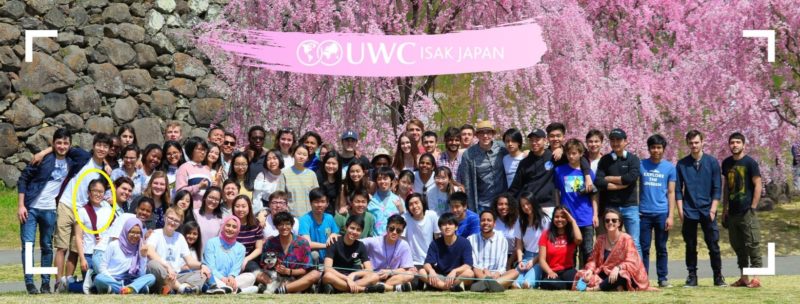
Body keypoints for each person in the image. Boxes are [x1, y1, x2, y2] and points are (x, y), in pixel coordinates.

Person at [17, 128, 90, 294]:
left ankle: (45, 284)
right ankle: (29, 283)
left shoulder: (71, 161)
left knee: (47, 246)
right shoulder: (42, 160)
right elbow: (23, 179)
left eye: (66, 143)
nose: (62, 146)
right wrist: (21, 205)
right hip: (31, 208)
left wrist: (47, 149)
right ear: (53, 142)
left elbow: (85, 156)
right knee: (28, 246)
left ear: (70, 144)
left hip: (50, 210)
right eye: (58, 142)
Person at [54, 133, 112, 290]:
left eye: (105, 146)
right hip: (66, 204)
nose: (101, 149)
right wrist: (42, 152)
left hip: (83, 210)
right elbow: (61, 148)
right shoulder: (83, 156)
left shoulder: (104, 172)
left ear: (109, 149)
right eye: (99, 145)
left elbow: (102, 192)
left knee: (74, 248)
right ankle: (58, 283)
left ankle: (69, 281)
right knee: (62, 247)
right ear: (93, 146)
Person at [676, 130, 725, 287]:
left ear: (702, 142)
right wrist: (680, 210)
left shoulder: (712, 162)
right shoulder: (682, 164)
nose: (694, 145)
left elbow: (717, 188)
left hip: (707, 210)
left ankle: (718, 276)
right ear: (687, 144)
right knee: (690, 245)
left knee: (713, 245)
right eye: (691, 143)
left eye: (696, 142)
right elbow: (677, 189)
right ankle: (692, 276)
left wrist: (713, 209)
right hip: (689, 210)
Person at [509, 127, 592, 218]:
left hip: (548, 206)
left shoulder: (554, 157)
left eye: (537, 140)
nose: (534, 143)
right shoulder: (525, 162)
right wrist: (507, 201)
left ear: (545, 140)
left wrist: (587, 175)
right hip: (529, 206)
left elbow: (580, 157)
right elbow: (516, 186)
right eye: (532, 140)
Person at [721, 132, 763, 288]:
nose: (735, 145)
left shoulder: (750, 163)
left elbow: (758, 184)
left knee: (752, 243)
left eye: (738, 142)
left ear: (744, 144)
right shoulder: (726, 163)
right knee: (738, 246)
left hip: (747, 211)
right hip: (732, 212)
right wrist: (724, 208)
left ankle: (757, 278)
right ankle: (744, 278)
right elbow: (726, 187)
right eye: (732, 142)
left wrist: (753, 207)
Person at [576, 209, 651, 291]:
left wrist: (618, 268)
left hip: (622, 274)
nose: (610, 223)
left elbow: (631, 261)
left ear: (619, 223)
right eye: (607, 221)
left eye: (614, 220)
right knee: (583, 274)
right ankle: (613, 286)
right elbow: (593, 259)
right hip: (605, 273)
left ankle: (595, 288)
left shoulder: (627, 239)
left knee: (621, 275)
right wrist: (590, 270)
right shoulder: (600, 239)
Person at [594, 128, 641, 257]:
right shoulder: (605, 160)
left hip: (630, 206)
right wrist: (619, 186)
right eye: (612, 140)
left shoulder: (633, 159)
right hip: (611, 207)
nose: (615, 143)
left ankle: (639, 275)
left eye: (619, 140)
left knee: (635, 242)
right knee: (612, 242)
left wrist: (609, 178)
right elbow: (598, 181)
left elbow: (630, 178)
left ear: (626, 141)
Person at [639, 134, 676, 288]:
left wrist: (671, 216)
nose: (656, 150)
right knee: (644, 247)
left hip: (662, 213)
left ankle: (662, 278)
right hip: (643, 214)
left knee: (661, 247)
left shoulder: (669, 167)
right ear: (649, 149)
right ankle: (643, 278)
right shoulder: (641, 165)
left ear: (663, 149)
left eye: (659, 147)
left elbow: (671, 192)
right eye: (653, 147)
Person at [553, 139, 598, 268]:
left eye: (574, 153)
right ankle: (571, 276)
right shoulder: (559, 171)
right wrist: (558, 209)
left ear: (580, 154)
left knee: (587, 250)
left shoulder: (588, 174)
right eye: (568, 153)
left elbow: (594, 195)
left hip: (586, 217)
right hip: (568, 216)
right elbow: (557, 191)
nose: (571, 156)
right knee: (569, 250)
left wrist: (594, 214)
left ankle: (585, 277)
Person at [144, 207, 209, 294]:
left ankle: (178, 288)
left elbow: (189, 261)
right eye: (170, 218)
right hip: (160, 276)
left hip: (175, 276)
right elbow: (150, 253)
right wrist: (167, 266)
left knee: (202, 273)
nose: (173, 222)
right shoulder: (155, 234)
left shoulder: (180, 237)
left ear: (180, 224)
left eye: (177, 221)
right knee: (152, 264)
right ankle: (182, 289)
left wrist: (202, 265)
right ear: (164, 217)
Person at [66, 179, 114, 293]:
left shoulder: (108, 210)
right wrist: (82, 259)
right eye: (95, 191)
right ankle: (68, 285)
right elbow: (78, 237)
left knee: (102, 286)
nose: (98, 194)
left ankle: (73, 284)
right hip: (89, 254)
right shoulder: (82, 211)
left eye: (101, 191)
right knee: (94, 288)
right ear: (89, 193)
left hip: (104, 253)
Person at [258, 212, 321, 294]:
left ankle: (282, 289)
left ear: (292, 225)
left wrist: (288, 271)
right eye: (280, 224)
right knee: (257, 274)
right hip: (276, 277)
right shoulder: (270, 242)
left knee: (315, 274)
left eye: (287, 224)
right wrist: (272, 266)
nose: (284, 227)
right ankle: (291, 288)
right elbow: (264, 265)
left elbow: (305, 269)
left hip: (297, 277)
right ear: (276, 226)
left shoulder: (302, 242)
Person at [320, 215, 383, 294]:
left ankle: (340, 288)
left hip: (352, 277)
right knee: (327, 276)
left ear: (361, 232)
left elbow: (369, 270)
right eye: (352, 228)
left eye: (358, 230)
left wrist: (354, 274)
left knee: (375, 277)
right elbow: (327, 268)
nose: (354, 232)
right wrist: (347, 279)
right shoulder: (334, 242)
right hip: (337, 275)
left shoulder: (360, 245)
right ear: (346, 228)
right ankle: (363, 289)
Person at [93, 218, 156, 294]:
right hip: (113, 278)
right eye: (132, 232)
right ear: (126, 231)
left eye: (138, 233)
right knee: (99, 278)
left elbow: (141, 274)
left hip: (131, 279)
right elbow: (102, 267)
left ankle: (124, 289)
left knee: (151, 277)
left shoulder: (140, 247)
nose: (135, 235)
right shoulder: (114, 245)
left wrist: (143, 256)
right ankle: (129, 289)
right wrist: (112, 280)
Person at [457, 120, 508, 211]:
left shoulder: (502, 148)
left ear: (492, 134)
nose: (485, 136)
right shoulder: (469, 154)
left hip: (503, 202)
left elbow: (516, 153)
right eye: (481, 133)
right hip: (483, 203)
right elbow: (467, 184)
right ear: (476, 135)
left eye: (488, 132)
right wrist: (472, 209)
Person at [419, 212, 475, 291]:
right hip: (440, 276)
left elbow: (468, 265)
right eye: (444, 225)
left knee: (469, 273)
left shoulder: (465, 242)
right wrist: (431, 271)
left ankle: (441, 286)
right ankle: (446, 287)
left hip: (456, 277)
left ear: (456, 227)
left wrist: (454, 271)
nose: (447, 227)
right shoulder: (435, 243)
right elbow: (427, 263)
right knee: (421, 272)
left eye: (450, 224)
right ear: (440, 228)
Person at [203, 216, 259, 294]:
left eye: (234, 227)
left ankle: (226, 288)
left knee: (251, 277)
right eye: (228, 225)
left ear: (238, 230)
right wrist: (222, 278)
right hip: (215, 277)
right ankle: (238, 290)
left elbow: (236, 268)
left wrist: (231, 277)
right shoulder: (211, 242)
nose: (230, 229)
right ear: (223, 226)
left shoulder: (241, 248)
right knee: (208, 277)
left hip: (232, 280)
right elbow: (210, 267)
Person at [362, 215, 415, 292]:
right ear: (387, 228)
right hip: (374, 275)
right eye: (392, 229)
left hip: (392, 277)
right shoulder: (374, 241)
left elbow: (405, 269)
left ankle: (381, 286)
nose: (394, 232)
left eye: (398, 230)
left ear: (402, 232)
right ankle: (389, 288)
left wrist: (390, 272)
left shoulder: (404, 245)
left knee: (410, 275)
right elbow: (357, 243)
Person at [468, 211, 517, 292]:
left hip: (496, 276)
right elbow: (474, 265)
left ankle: (488, 285)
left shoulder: (502, 241)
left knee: (514, 272)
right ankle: (496, 285)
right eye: (483, 220)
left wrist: (496, 274)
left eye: (489, 220)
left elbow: (502, 267)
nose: (485, 222)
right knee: (474, 270)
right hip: (480, 274)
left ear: (494, 224)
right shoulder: (471, 239)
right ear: (479, 223)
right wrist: (485, 273)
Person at [512, 191, 551, 290]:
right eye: (523, 205)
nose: (526, 207)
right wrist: (520, 261)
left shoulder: (545, 220)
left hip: (540, 257)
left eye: (528, 203)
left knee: (527, 283)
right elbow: (519, 245)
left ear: (533, 203)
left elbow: (548, 245)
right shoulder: (520, 221)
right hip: (526, 256)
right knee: (515, 284)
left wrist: (534, 261)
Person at [537, 206, 582, 290]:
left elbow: (579, 239)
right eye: (556, 217)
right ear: (553, 218)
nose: (559, 219)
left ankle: (564, 285)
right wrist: (550, 272)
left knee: (575, 279)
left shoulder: (571, 234)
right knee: (551, 283)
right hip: (551, 271)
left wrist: (572, 221)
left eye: (563, 217)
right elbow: (541, 260)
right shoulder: (545, 234)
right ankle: (565, 285)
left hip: (567, 270)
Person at [298, 188, 340, 262]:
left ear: (327, 203)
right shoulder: (304, 219)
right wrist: (327, 246)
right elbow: (307, 244)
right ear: (311, 203)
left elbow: (336, 234)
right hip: (312, 259)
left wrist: (334, 234)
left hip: (329, 257)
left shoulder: (329, 217)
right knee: (314, 254)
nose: (319, 205)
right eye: (316, 202)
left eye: (323, 201)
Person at [278, 146, 319, 216]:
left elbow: (316, 196)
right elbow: (280, 195)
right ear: (293, 154)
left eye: (304, 155)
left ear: (308, 158)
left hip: (309, 216)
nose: (301, 157)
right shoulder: (285, 173)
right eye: (299, 153)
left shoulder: (312, 174)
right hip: (291, 217)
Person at [401, 193, 440, 269]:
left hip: (431, 260)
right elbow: (402, 241)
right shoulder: (405, 218)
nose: (414, 206)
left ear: (422, 203)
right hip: (413, 262)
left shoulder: (432, 215)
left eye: (416, 203)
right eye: (411, 204)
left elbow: (438, 237)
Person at [175, 137, 211, 210]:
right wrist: (198, 186)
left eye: (204, 150)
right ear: (191, 150)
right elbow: (180, 193)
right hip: (191, 210)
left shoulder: (206, 170)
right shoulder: (184, 168)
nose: (203, 152)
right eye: (199, 149)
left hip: (206, 212)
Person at [233, 196, 265, 275]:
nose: (240, 209)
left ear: (249, 207)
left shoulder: (256, 224)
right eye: (237, 206)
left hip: (248, 259)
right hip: (231, 259)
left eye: (244, 206)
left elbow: (258, 249)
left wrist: (246, 259)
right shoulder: (229, 223)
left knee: (256, 271)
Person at [369, 167, 403, 235]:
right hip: (375, 240)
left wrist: (401, 211)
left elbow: (404, 221)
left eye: (385, 179)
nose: (382, 181)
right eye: (379, 179)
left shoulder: (398, 200)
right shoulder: (370, 201)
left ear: (391, 180)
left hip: (393, 240)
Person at [491, 193, 519, 268]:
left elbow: (518, 247)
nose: (503, 207)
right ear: (496, 206)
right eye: (500, 204)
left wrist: (509, 263)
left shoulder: (517, 221)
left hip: (513, 257)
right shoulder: (493, 220)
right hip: (495, 256)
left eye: (506, 204)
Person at [193, 186, 223, 252]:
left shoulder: (220, 219)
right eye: (211, 197)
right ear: (204, 197)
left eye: (217, 199)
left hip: (211, 256)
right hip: (194, 256)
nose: (213, 201)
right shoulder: (194, 214)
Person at [316, 151, 342, 215]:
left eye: (334, 164)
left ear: (338, 165)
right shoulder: (317, 177)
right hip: (318, 213)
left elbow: (336, 201)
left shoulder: (339, 180)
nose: (330, 166)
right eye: (328, 163)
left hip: (331, 215)